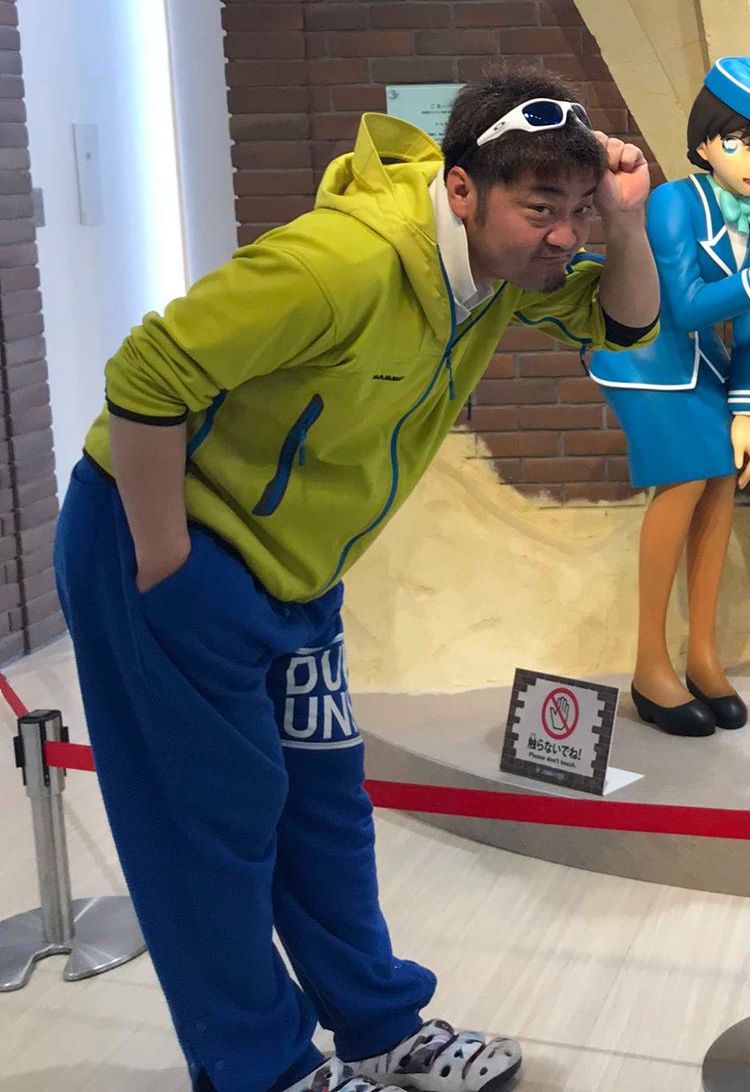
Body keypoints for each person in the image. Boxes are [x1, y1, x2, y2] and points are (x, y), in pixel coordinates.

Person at [52, 69, 660, 1092]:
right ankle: (258, 1070)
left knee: (324, 809)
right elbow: (145, 376)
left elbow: (627, 324)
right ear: (462, 190)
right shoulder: (341, 263)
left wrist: (626, 221)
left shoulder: (498, 272)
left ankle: (378, 1027)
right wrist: (168, 567)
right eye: (538, 209)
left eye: (576, 210)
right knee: (212, 830)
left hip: (295, 572)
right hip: (165, 544)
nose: (563, 236)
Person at [590, 56, 750, 736]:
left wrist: (746, 411)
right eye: (740, 142)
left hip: (701, 361)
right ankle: (650, 666)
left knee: (722, 480)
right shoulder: (673, 203)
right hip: (643, 357)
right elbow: (686, 306)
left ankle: (702, 656)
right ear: (704, 142)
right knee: (685, 480)